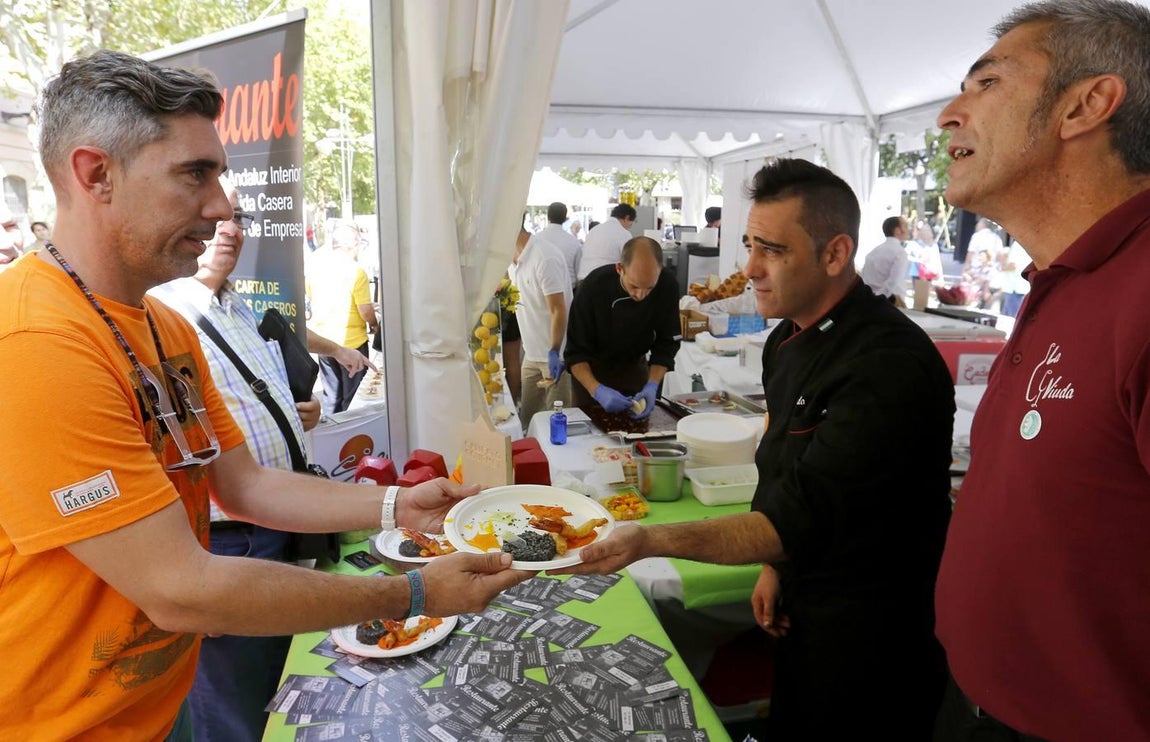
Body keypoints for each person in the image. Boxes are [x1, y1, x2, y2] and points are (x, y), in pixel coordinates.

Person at [0, 49, 530, 740]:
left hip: (156, 708)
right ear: (96, 173)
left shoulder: (162, 325)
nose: (220, 206)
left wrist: (399, 506)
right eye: (195, 175)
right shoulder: (35, 343)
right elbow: (180, 587)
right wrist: (416, 593)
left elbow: (246, 485)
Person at [558, 159, 955, 741]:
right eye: (749, 245)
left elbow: (795, 519)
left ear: (834, 254)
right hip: (802, 601)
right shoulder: (787, 342)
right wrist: (774, 566)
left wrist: (647, 540)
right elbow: (782, 469)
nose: (749, 268)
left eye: (771, 249)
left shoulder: (886, 367)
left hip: (870, 624)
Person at [932, 2, 1150, 740]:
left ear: (1086, 105)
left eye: (985, 83)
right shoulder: (1063, 276)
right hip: (974, 706)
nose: (948, 116)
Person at [150, 178, 322, 741]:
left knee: (285, 687)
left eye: (240, 217)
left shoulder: (235, 304)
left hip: (276, 523)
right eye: (217, 216)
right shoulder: (160, 317)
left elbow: (239, 410)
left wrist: (294, 414)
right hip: (227, 538)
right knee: (237, 710)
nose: (229, 226)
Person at [564, 235, 680, 434]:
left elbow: (666, 344)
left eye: (649, 288)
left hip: (635, 370)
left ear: (659, 270)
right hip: (592, 371)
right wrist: (596, 390)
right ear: (620, 268)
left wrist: (652, 385)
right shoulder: (593, 287)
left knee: (636, 436)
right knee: (590, 439)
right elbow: (575, 353)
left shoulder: (668, 285)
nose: (641, 295)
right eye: (634, 286)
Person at [306, 220, 378, 414]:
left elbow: (311, 298)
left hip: (323, 342)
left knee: (331, 397)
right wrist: (374, 323)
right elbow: (364, 310)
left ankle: (331, 436)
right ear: (353, 244)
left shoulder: (316, 268)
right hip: (351, 344)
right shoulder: (356, 271)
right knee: (353, 398)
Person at [513, 210, 573, 431]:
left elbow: (558, 309)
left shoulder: (544, 257)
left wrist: (554, 351)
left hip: (553, 354)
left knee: (554, 425)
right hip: (530, 353)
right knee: (528, 421)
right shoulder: (511, 257)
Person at [527, 202, 581, 290]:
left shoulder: (536, 239)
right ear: (565, 218)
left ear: (548, 217)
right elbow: (578, 271)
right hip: (568, 290)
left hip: (540, 290)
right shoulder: (574, 242)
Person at [576, 203, 636, 281]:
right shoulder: (624, 233)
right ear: (627, 218)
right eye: (630, 224)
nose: (629, 227)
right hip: (604, 281)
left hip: (583, 280)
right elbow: (629, 261)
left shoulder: (594, 230)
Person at [859, 214, 910, 305]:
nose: (908, 230)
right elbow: (893, 282)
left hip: (871, 300)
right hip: (892, 302)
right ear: (897, 231)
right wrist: (880, 298)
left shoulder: (873, 252)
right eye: (905, 226)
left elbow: (864, 278)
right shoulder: (900, 253)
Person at [962, 218, 1005, 310]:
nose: (976, 225)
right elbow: (1001, 257)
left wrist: (965, 267)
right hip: (991, 271)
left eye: (978, 224)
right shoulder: (996, 238)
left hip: (977, 271)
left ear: (982, 225)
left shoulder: (976, 236)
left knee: (974, 295)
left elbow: (970, 253)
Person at [997, 239, 1031, 318]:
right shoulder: (1027, 243)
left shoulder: (1018, 245)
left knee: (1011, 320)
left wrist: (1002, 268)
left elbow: (1013, 266)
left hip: (1014, 289)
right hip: (1021, 288)